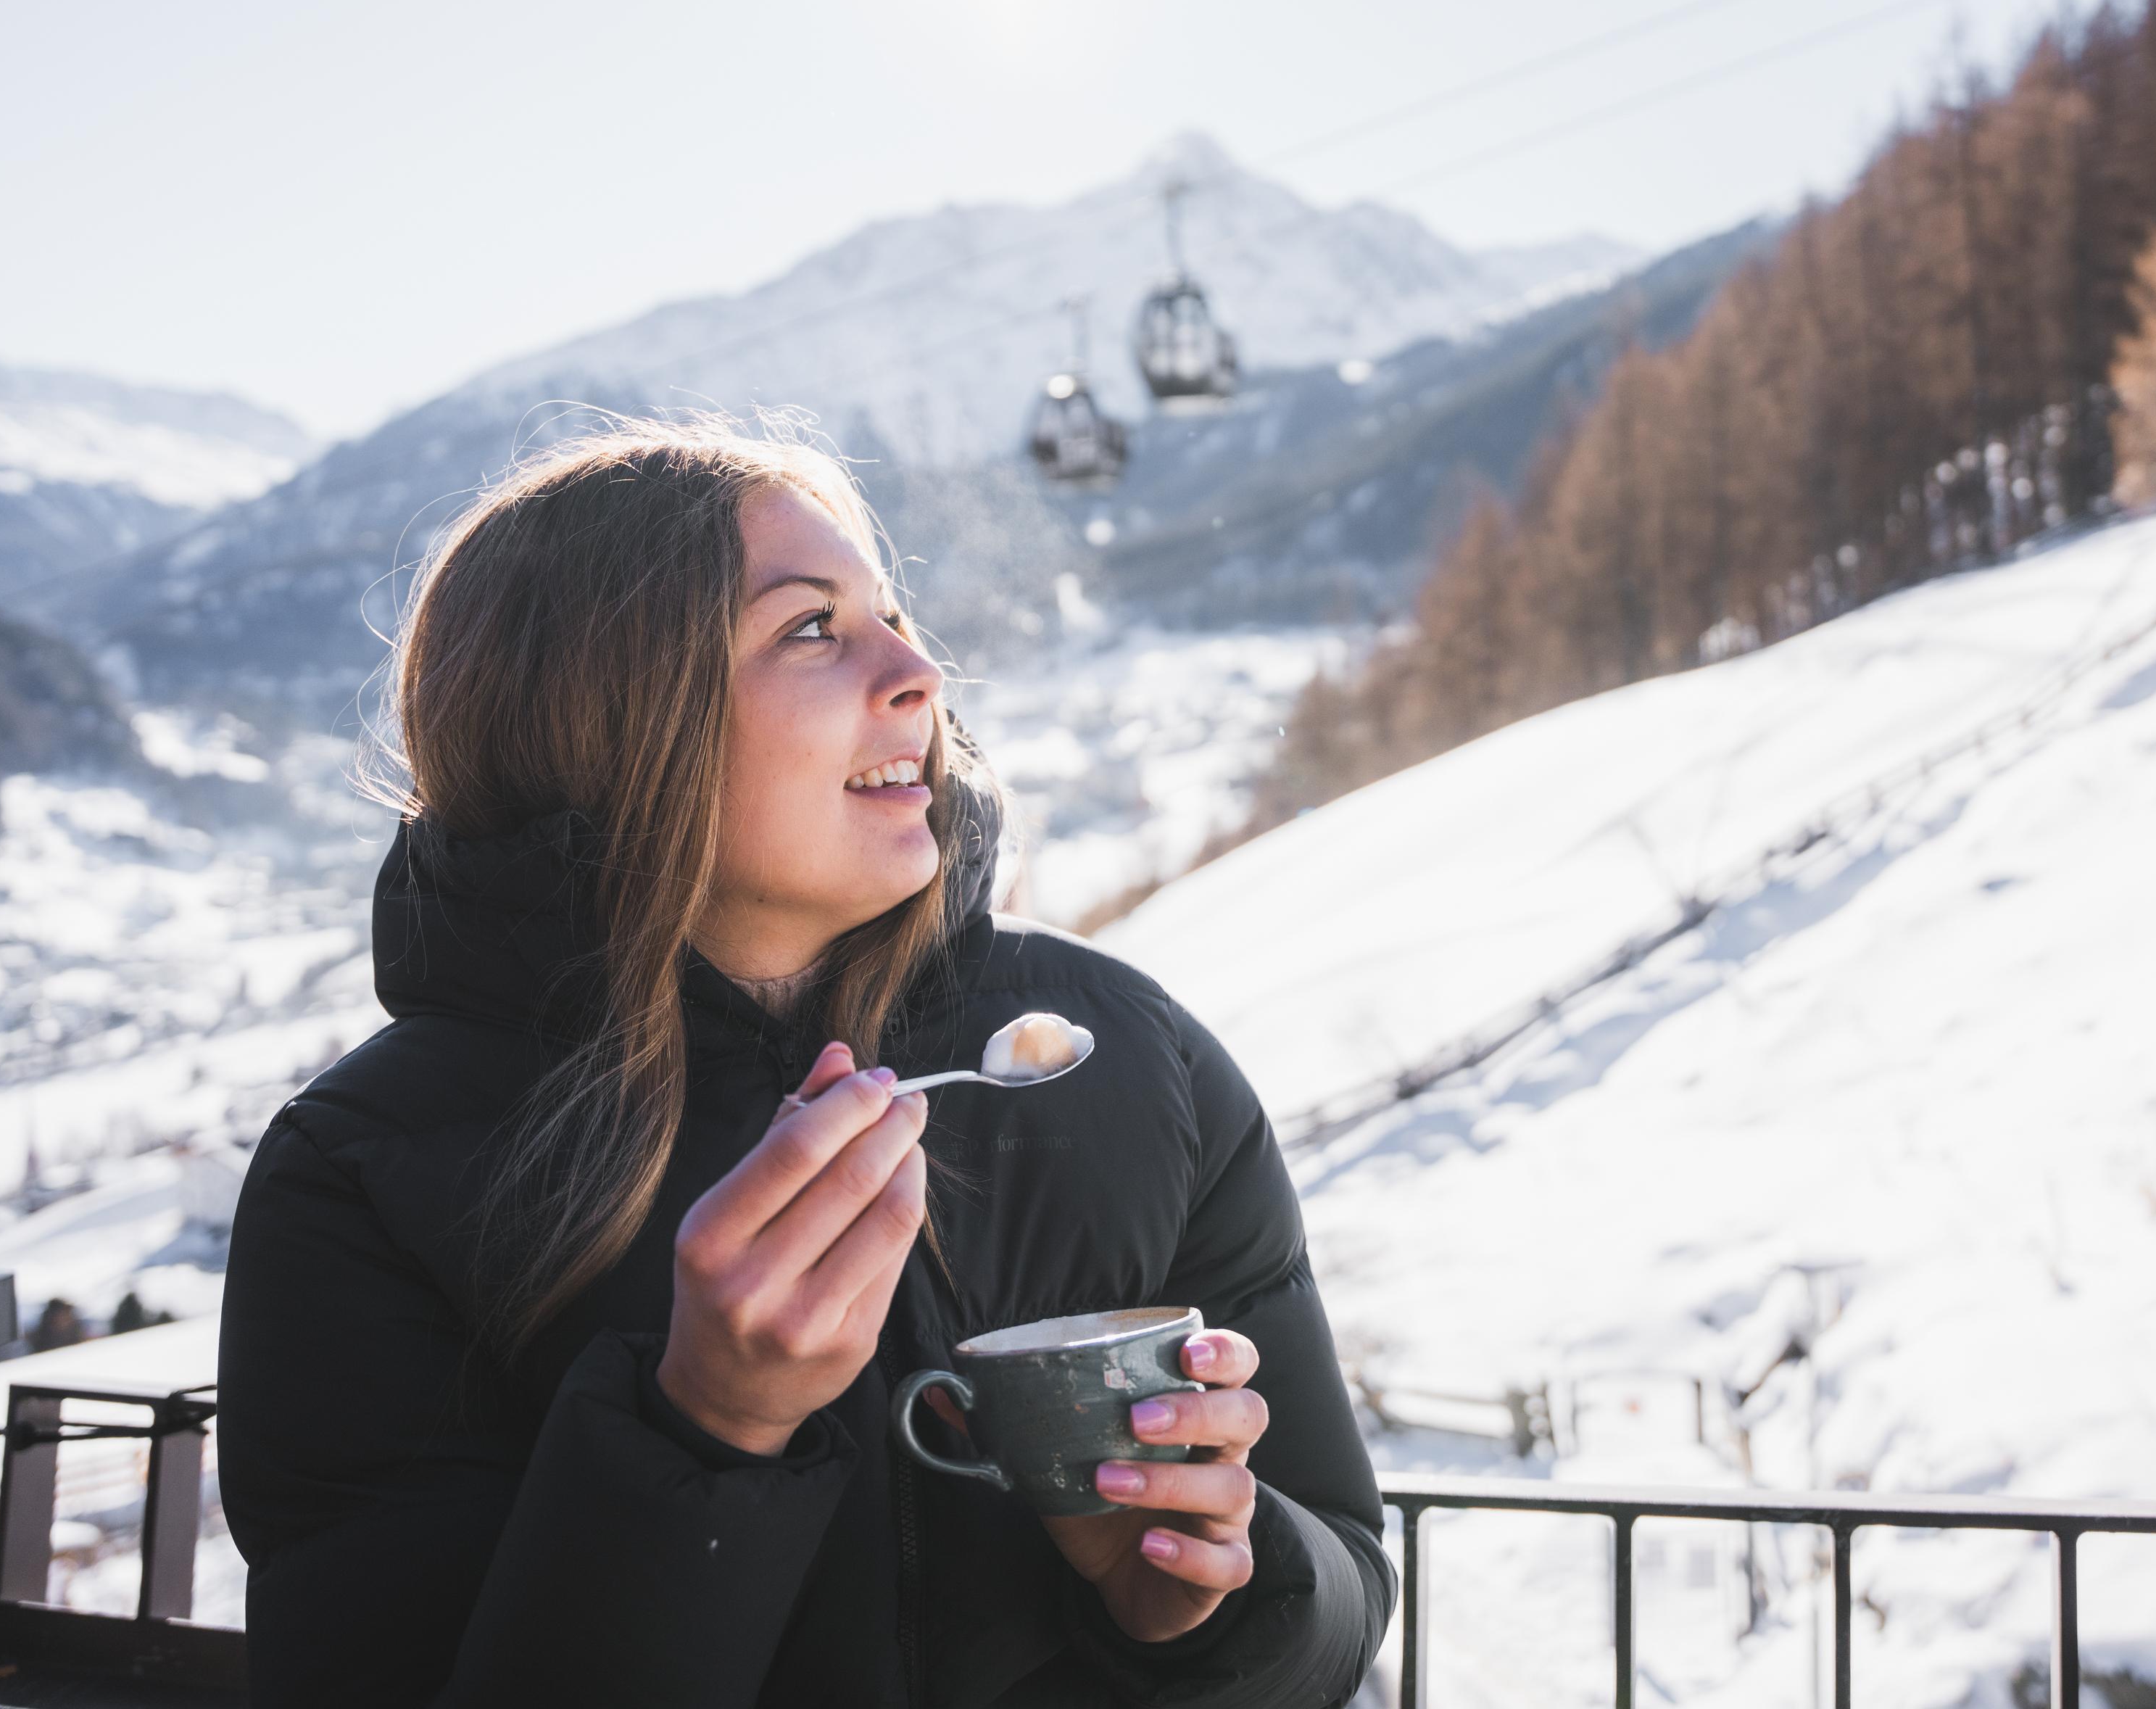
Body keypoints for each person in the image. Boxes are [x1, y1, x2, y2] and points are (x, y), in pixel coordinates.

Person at [217, 419, 1392, 1707]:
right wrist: (705, 1432)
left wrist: (1210, 1592)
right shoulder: (367, 1177)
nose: (920, 673)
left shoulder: (1125, 1057)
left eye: (896, 617)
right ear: (606, 721)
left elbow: (1341, 1587)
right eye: (813, 629)